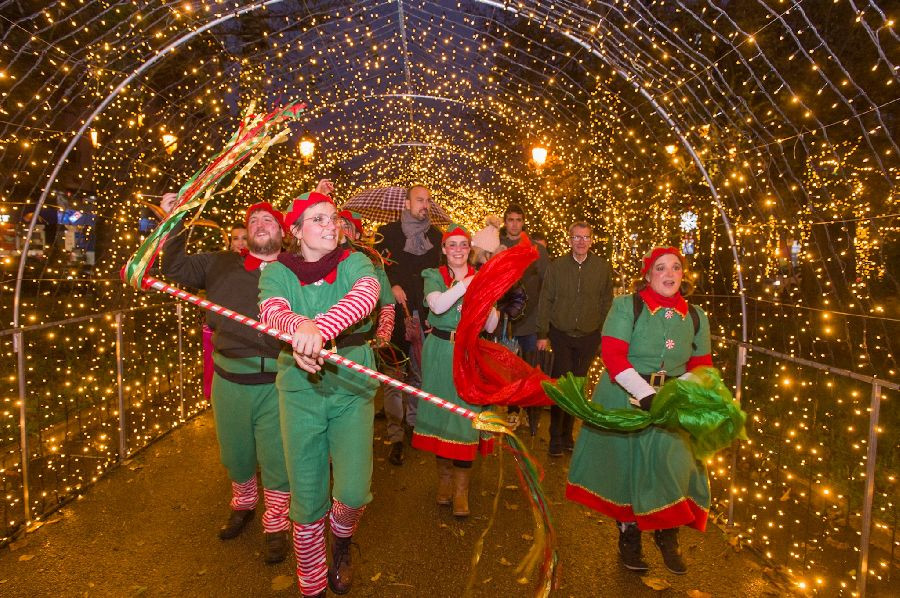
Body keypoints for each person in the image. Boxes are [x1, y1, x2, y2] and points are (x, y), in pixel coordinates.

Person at [258, 191, 380, 598]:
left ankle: (342, 540)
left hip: (351, 385)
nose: (331, 225)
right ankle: (311, 584)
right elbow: (272, 310)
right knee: (307, 496)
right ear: (295, 231)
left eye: (333, 217)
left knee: (353, 492)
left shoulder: (354, 261)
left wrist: (315, 331)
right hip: (300, 391)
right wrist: (298, 328)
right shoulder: (278, 271)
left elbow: (366, 294)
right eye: (318, 219)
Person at [159, 193, 291, 564]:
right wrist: (175, 220)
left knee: (277, 457)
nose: (259, 225)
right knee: (236, 453)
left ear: (282, 232)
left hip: (278, 383)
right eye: (253, 221)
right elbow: (174, 268)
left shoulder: (295, 269)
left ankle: (277, 522)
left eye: (268, 220)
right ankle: (243, 505)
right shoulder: (219, 263)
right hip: (230, 380)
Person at [566, 246, 712, 575]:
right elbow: (613, 355)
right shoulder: (626, 306)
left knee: (672, 465)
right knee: (629, 469)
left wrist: (676, 392)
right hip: (626, 395)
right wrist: (646, 395)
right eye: (661, 268)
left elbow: (702, 364)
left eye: (676, 267)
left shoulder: (696, 316)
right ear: (647, 275)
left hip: (672, 400)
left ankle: (667, 532)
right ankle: (629, 535)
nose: (669, 274)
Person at [411, 225, 499, 518]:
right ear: (444, 249)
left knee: (466, 418)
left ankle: (461, 491)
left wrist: (488, 295)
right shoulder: (434, 275)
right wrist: (466, 285)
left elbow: (491, 326)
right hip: (440, 352)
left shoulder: (480, 276)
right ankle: (445, 481)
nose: (458, 250)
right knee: (441, 415)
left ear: (469, 249)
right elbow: (437, 307)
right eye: (453, 244)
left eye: (463, 244)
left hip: (469, 353)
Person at [374, 185, 443, 459]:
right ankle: (396, 435)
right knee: (393, 376)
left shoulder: (436, 236)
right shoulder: (387, 233)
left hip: (423, 314)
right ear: (406, 203)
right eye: (419, 199)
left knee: (419, 374)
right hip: (395, 314)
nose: (425, 205)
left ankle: (414, 424)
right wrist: (391, 285)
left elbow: (439, 274)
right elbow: (376, 268)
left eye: (428, 200)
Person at [537, 221, 613, 457]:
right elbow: (546, 299)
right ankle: (555, 436)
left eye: (586, 237)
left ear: (592, 240)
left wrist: (604, 334)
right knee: (562, 384)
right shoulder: (557, 266)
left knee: (578, 387)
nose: (581, 241)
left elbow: (606, 302)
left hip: (589, 336)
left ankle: (568, 435)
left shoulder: (601, 267)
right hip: (561, 334)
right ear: (569, 240)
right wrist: (542, 333)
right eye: (577, 237)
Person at [337, 209, 402, 465]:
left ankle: (356, 462)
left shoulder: (372, 264)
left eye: (347, 226)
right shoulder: (317, 260)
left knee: (357, 415)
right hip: (324, 352)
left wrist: (383, 333)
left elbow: (387, 304)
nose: (340, 230)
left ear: (357, 234)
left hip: (358, 348)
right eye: (336, 224)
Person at [498, 204, 549, 433]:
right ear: (505, 221)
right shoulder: (497, 246)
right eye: (510, 219)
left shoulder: (536, 249)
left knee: (530, 368)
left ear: (523, 222)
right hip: (505, 320)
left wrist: (543, 326)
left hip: (530, 321)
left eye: (518, 220)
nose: (514, 224)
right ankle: (512, 410)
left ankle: (530, 412)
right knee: (509, 369)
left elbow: (547, 286)